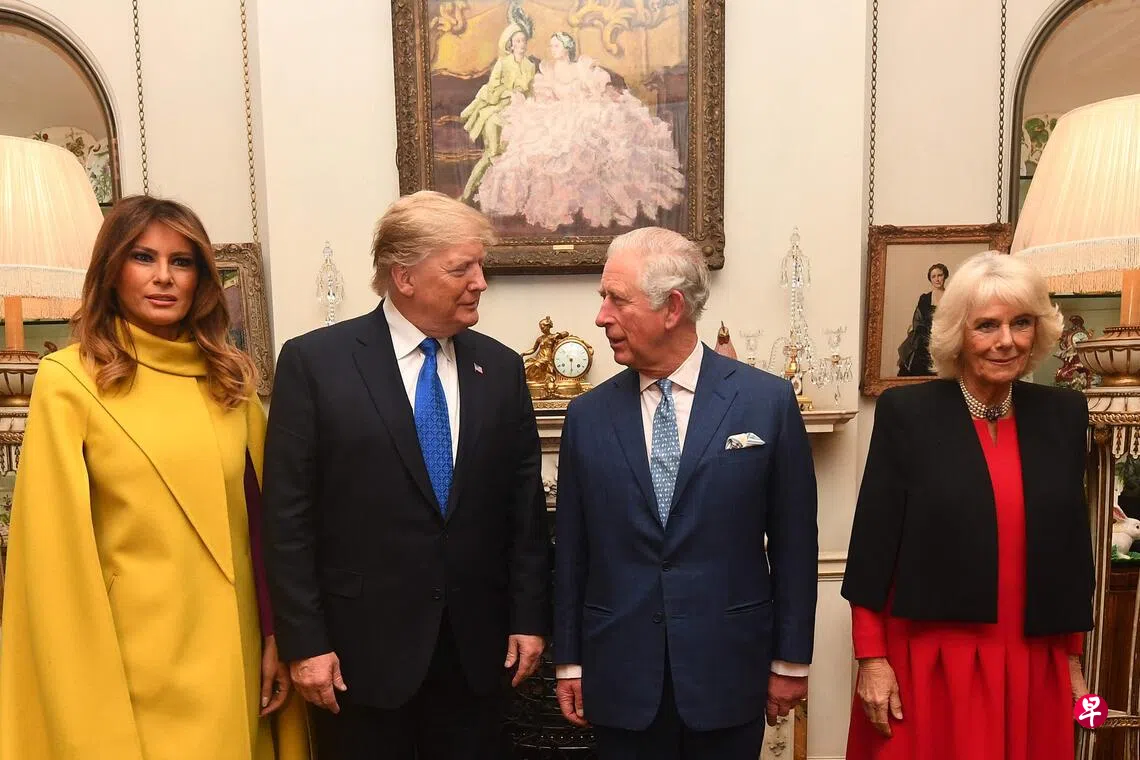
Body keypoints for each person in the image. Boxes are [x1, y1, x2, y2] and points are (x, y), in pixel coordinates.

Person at [0, 195, 309, 760]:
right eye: (143, 257)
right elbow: (54, 553)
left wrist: (275, 633)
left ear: (201, 279)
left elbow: (263, 526)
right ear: (112, 270)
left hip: (234, 652)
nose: (164, 276)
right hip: (130, 661)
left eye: (181, 261)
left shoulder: (229, 381)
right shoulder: (69, 380)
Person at [263, 190, 550, 760]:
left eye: (480, 266)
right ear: (404, 276)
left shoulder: (500, 368)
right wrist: (306, 643)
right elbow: (288, 519)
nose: (480, 282)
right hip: (357, 657)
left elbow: (524, 511)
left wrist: (530, 618)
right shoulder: (316, 364)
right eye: (461, 268)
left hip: (477, 653)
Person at [553, 227, 818, 759]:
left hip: (729, 670)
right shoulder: (586, 416)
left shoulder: (765, 403)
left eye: (617, 299)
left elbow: (794, 543)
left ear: (672, 307)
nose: (601, 317)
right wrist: (569, 662)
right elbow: (571, 550)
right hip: (620, 673)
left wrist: (790, 662)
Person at [843, 251, 1093, 760]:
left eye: (1021, 323)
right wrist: (871, 659)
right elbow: (872, 550)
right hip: (931, 662)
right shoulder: (907, 414)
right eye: (987, 325)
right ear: (958, 333)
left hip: (1035, 659)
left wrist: (1072, 659)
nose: (1007, 341)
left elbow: (1071, 551)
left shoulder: (1064, 415)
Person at [476, 32, 684, 231]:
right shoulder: (548, 72)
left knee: (588, 139)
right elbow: (545, 98)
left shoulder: (580, 68)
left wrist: (596, 102)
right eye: (551, 45)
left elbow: (597, 92)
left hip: (583, 110)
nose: (552, 49)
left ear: (566, 48)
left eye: (556, 45)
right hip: (558, 114)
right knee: (539, 147)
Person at [459, 2, 537, 203]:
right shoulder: (503, 63)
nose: (521, 44)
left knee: (518, 154)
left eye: (523, 40)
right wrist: (509, 93)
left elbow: (531, 91)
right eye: (517, 41)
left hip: (519, 113)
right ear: (511, 44)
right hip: (495, 112)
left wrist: (529, 104)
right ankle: (467, 194)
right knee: (491, 153)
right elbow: (492, 87)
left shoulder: (530, 66)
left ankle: (504, 199)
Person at [896, 262, 948, 376]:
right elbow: (918, 320)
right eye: (933, 276)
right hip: (925, 337)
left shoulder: (951, 296)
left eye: (940, 275)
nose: (937, 279)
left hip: (946, 335)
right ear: (930, 279)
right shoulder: (925, 298)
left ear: (945, 276)